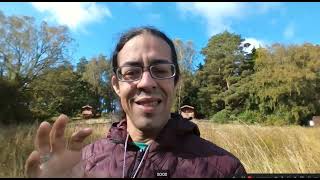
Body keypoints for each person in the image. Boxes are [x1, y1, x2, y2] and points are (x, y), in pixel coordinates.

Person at [25, 26, 247, 178]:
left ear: (176, 81)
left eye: (160, 70)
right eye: (131, 72)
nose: (146, 82)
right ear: (116, 84)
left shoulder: (224, 169)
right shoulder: (84, 162)